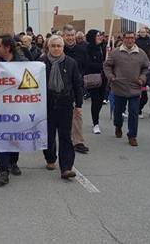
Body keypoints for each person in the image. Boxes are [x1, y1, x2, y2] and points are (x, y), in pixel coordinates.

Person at [41, 35, 82, 179]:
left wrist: (79, 104)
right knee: (49, 135)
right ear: (48, 47)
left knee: (65, 137)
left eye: (59, 46)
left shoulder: (71, 63)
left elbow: (77, 84)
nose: (56, 48)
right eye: (53, 46)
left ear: (63, 47)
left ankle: (66, 168)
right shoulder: (41, 62)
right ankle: (50, 158)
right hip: (47, 105)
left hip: (65, 104)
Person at [0, 34, 27, 186]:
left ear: (7, 47)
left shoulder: (21, 60)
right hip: (0, 107)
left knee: (15, 136)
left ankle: (13, 162)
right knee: (2, 137)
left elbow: (31, 69)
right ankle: (3, 170)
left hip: (18, 106)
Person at [103, 31, 150, 146]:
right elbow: (107, 66)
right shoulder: (115, 52)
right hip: (119, 87)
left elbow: (146, 68)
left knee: (134, 112)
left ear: (135, 39)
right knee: (118, 112)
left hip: (135, 87)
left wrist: (142, 79)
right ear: (123, 39)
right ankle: (118, 126)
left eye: (132, 38)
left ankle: (132, 135)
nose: (130, 40)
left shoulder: (141, 53)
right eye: (128, 38)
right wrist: (111, 77)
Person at [62, 24, 90, 154]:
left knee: (77, 114)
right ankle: (64, 139)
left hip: (76, 86)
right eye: (68, 35)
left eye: (72, 35)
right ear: (63, 36)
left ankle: (78, 141)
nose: (70, 38)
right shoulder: (58, 49)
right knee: (64, 116)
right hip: (61, 88)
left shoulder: (82, 50)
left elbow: (85, 66)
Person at [85, 30, 106, 134]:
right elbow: (88, 64)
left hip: (104, 78)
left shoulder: (103, 47)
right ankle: (96, 123)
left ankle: (96, 116)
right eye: (97, 35)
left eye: (100, 35)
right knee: (95, 100)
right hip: (93, 78)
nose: (100, 37)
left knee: (101, 99)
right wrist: (102, 65)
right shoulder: (88, 48)